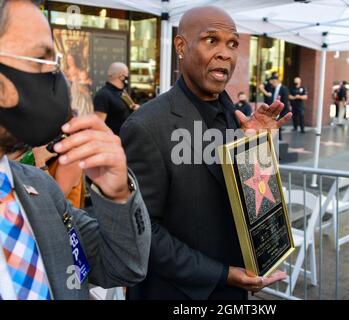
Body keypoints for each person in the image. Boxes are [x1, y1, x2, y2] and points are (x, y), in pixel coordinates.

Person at [120, 6, 291, 300]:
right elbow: (142, 234)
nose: (226, 53)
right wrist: (222, 274)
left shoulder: (238, 118)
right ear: (181, 47)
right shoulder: (146, 126)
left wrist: (259, 152)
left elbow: (254, 203)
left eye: (233, 43)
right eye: (212, 40)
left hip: (234, 293)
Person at [0, 0, 151, 299]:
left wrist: (118, 194)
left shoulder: (40, 188)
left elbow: (123, 267)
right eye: (41, 61)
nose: (60, 79)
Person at [93, 62, 139, 135]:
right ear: (121, 76)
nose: (128, 77)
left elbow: (131, 107)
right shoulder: (103, 95)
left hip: (126, 140)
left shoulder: (122, 92)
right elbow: (98, 125)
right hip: (113, 143)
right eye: (127, 74)